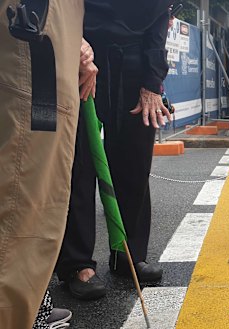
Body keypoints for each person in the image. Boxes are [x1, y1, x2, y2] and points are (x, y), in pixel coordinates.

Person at [54, 1, 173, 301]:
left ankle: (127, 254)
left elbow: (159, 20)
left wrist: (152, 82)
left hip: (133, 61)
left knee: (134, 162)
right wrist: (74, 45)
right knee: (78, 164)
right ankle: (77, 263)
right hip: (78, 53)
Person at [0, 1, 85, 327]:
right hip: (36, 19)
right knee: (28, 194)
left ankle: (34, 305)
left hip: (34, 20)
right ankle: (21, 311)